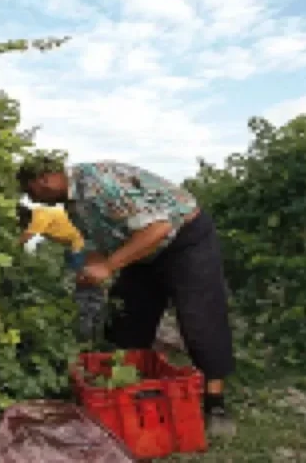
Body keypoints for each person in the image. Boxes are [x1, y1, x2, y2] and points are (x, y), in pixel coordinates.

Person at [17, 159, 236, 437]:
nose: (33, 200)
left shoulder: (99, 184)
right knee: (126, 320)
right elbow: (94, 243)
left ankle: (215, 404)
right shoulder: (72, 205)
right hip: (141, 248)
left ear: (44, 179)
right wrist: (92, 267)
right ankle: (133, 392)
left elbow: (159, 228)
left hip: (184, 240)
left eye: (30, 192)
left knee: (200, 319)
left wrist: (109, 266)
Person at [16, 204, 105, 341]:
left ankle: (85, 329)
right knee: (80, 284)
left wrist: (9, 247)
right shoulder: (42, 215)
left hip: (79, 245)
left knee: (81, 282)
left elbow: (25, 237)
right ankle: (86, 323)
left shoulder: (39, 216)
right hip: (75, 245)